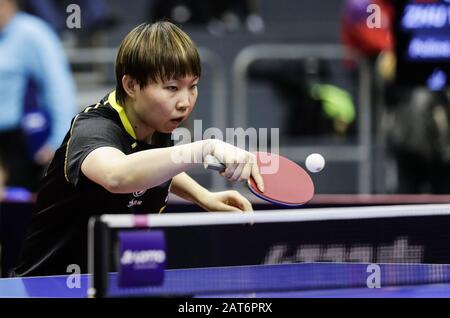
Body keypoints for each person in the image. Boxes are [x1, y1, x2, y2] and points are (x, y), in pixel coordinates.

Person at [12, 21, 264, 277]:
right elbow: (118, 175)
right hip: (50, 287)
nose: (185, 102)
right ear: (132, 85)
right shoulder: (93, 130)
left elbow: (151, 163)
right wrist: (203, 148)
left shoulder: (156, 124)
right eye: (172, 88)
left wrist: (203, 196)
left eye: (193, 86)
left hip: (114, 282)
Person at [0, 0, 77, 194]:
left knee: (16, 213)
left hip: (20, 143)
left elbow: (59, 88)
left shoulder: (33, 34)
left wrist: (58, 141)